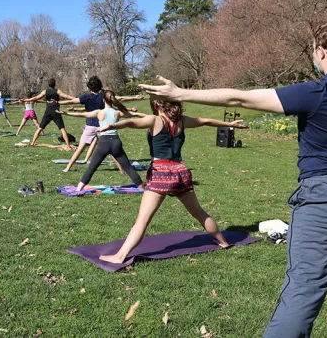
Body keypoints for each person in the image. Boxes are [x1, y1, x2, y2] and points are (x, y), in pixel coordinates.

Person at [138, 16, 327, 338]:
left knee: (302, 296)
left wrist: (180, 92)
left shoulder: (317, 91)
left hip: (326, 201)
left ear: (321, 51)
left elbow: (240, 98)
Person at [95, 97, 248, 266]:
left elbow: (132, 122)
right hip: (180, 171)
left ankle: (120, 256)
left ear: (157, 105)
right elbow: (205, 121)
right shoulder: (182, 121)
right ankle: (223, 242)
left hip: (160, 172)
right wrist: (230, 124)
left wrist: (114, 126)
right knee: (199, 212)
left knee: (143, 220)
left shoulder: (155, 120)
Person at [58, 90, 146, 191]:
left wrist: (66, 113)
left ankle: (78, 189)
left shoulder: (99, 112)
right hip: (116, 143)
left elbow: (82, 114)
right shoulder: (117, 113)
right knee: (128, 168)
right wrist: (150, 117)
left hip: (104, 143)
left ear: (103, 99)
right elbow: (135, 114)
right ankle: (142, 188)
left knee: (91, 168)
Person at [28, 78, 76, 150]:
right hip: (56, 111)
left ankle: (33, 142)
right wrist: (75, 99)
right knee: (62, 129)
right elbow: (66, 96)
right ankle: (68, 145)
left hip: (48, 112)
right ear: (55, 84)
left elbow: (36, 97)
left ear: (48, 84)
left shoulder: (45, 91)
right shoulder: (57, 91)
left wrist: (26, 100)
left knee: (40, 128)